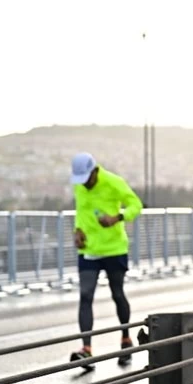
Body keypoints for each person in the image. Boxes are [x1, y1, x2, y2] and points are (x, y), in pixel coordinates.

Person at [68, 153, 143, 368]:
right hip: (89, 250)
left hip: (114, 248)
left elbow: (135, 205)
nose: (84, 183)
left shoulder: (114, 182)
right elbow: (81, 213)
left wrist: (118, 217)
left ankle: (126, 339)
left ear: (94, 171)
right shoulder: (80, 187)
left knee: (117, 294)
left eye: (86, 178)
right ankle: (86, 350)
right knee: (85, 295)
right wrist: (77, 231)